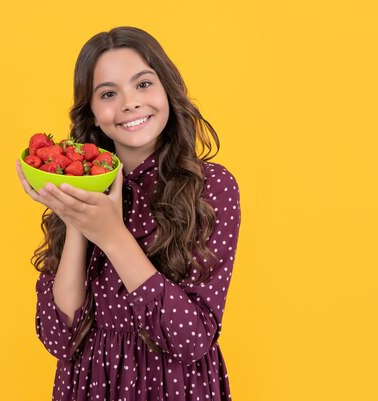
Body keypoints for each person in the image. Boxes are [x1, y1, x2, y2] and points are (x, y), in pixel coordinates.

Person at [15, 26, 241, 401]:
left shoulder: (211, 187)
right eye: (108, 93)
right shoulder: (77, 179)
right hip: (89, 386)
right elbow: (60, 339)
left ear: (167, 89)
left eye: (143, 84)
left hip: (176, 388)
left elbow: (190, 340)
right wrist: (75, 217)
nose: (129, 103)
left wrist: (111, 234)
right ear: (92, 111)